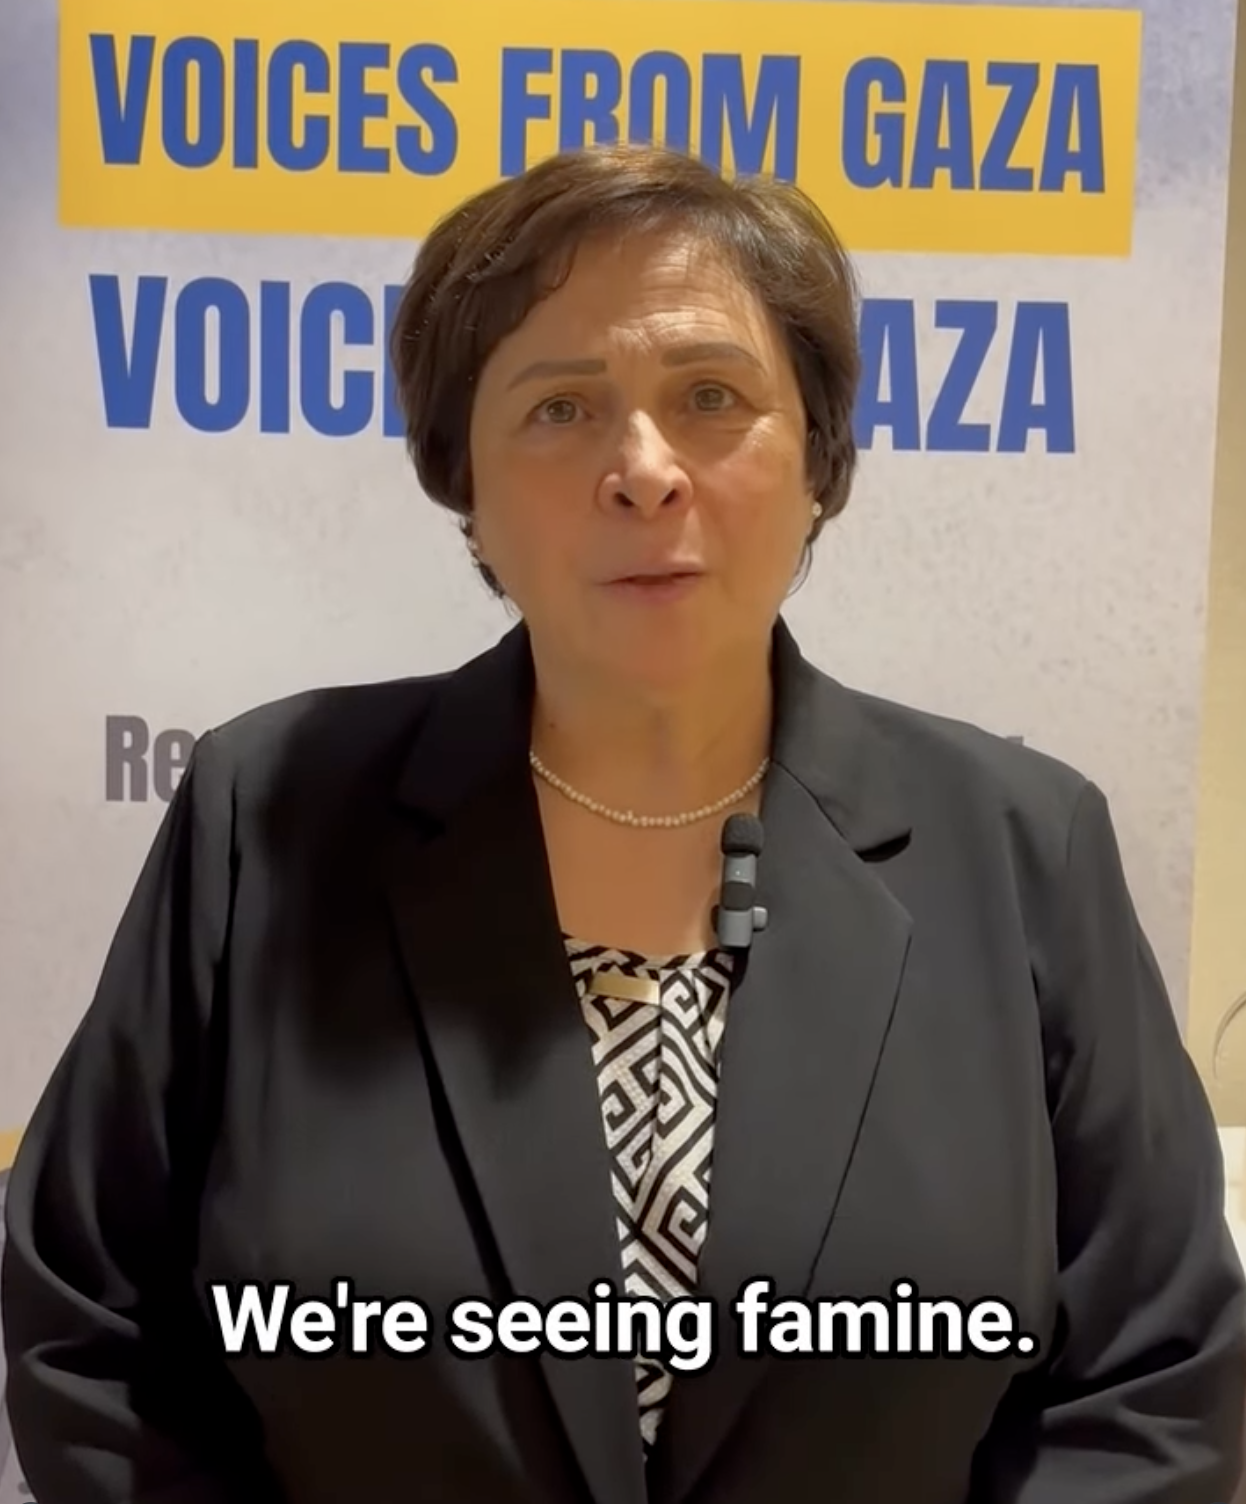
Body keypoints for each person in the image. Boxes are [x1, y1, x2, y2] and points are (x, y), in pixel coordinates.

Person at [3, 143, 1243, 1504]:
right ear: (458, 476)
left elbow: (1154, 1380)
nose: (643, 469)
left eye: (710, 396)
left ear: (819, 459)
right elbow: (92, 1329)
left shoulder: (1023, 847)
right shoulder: (267, 815)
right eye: (560, 408)